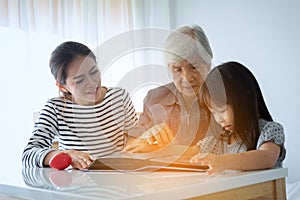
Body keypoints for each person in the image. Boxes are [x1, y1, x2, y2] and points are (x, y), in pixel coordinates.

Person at [22, 41, 138, 170]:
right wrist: (64, 155)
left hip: (119, 182)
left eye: (94, 72)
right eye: (80, 80)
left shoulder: (119, 97)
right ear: (62, 86)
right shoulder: (55, 108)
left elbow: (135, 138)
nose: (91, 83)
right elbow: (28, 154)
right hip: (76, 187)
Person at [124, 25, 215, 152]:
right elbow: (130, 143)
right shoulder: (155, 98)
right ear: (169, 69)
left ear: (208, 64)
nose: (187, 78)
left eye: (194, 67)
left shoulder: (223, 98)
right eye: (177, 69)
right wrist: (145, 136)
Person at [189, 61, 286, 175]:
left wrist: (223, 161)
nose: (219, 119)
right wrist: (164, 147)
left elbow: (267, 158)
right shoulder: (218, 140)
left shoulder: (269, 131)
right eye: (213, 112)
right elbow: (188, 152)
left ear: (246, 99)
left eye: (222, 110)